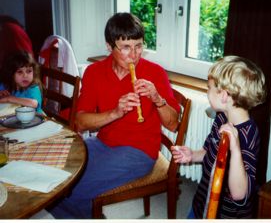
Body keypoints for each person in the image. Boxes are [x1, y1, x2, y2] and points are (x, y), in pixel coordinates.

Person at [48, 12, 180, 219]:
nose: (134, 55)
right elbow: (81, 121)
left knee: (72, 190)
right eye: (126, 48)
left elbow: (173, 125)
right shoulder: (94, 72)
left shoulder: (156, 73)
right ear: (109, 47)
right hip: (103, 143)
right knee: (53, 178)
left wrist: (157, 98)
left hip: (139, 152)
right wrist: (115, 113)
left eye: (138, 46)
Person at [171, 56, 266, 219]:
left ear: (223, 95)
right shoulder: (221, 117)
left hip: (226, 215)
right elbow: (209, 151)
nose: (207, 91)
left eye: (209, 87)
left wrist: (235, 150)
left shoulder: (248, 135)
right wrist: (192, 155)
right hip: (202, 203)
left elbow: (239, 194)